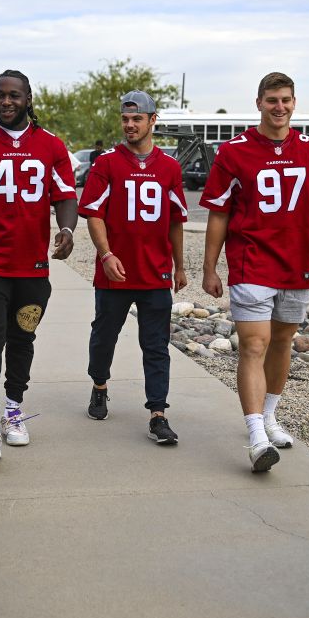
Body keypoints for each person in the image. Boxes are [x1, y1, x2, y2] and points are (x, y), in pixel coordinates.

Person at [199, 72, 309, 472]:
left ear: (294, 103)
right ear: (259, 103)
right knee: (254, 344)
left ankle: (269, 416)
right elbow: (219, 213)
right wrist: (209, 268)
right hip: (252, 262)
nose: (279, 107)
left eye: (285, 100)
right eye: (272, 100)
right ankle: (254, 437)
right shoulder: (234, 152)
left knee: (282, 342)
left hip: (296, 263)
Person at [0, 69, 79, 461]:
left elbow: (64, 196)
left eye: (13, 95)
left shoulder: (51, 145)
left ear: (28, 99)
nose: (6, 102)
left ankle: (13, 408)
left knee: (23, 339)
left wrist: (67, 229)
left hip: (32, 267)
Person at [78, 91, 187, 443]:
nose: (130, 125)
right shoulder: (107, 163)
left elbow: (175, 221)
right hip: (116, 272)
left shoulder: (169, 167)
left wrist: (180, 266)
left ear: (152, 121)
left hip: (155, 272)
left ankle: (158, 413)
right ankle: (99, 383)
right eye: (125, 119)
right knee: (104, 337)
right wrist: (106, 255)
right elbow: (94, 213)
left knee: (156, 345)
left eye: (137, 119)